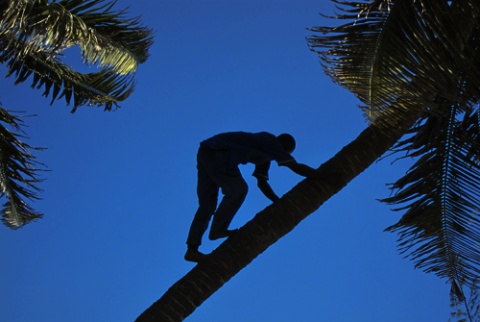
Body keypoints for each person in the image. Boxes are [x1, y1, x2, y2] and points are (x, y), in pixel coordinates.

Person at [185, 131, 319, 262]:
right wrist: (321, 175)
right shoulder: (271, 143)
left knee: (207, 205)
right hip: (219, 153)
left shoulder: (266, 155)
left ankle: (192, 250)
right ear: (282, 147)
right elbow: (294, 166)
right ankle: (218, 230)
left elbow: (262, 183)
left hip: (207, 151)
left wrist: (277, 201)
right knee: (239, 189)